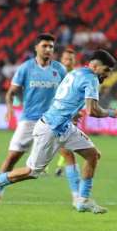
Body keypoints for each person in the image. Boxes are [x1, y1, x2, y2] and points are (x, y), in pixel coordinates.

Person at [0, 50, 117, 214]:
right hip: (50, 129)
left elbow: (64, 97)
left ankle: (82, 200)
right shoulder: (91, 79)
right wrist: (110, 113)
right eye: (105, 71)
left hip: (64, 126)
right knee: (31, 172)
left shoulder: (75, 73)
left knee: (93, 155)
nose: (106, 76)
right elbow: (92, 111)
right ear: (95, 66)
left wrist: (71, 112)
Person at [0, 34, 68, 205]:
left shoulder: (60, 70)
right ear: (36, 48)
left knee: (36, 170)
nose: (48, 49)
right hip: (29, 120)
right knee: (12, 157)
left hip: (50, 123)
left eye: (51, 47)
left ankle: (77, 194)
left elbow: (67, 94)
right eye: (45, 46)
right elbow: (11, 92)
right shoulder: (25, 68)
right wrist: (10, 108)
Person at [54, 49, 78, 178]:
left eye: (71, 59)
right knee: (48, 139)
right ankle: (43, 166)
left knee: (67, 140)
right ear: (61, 60)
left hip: (71, 111)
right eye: (66, 59)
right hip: (54, 111)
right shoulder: (55, 74)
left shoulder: (77, 76)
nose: (68, 62)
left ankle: (60, 166)